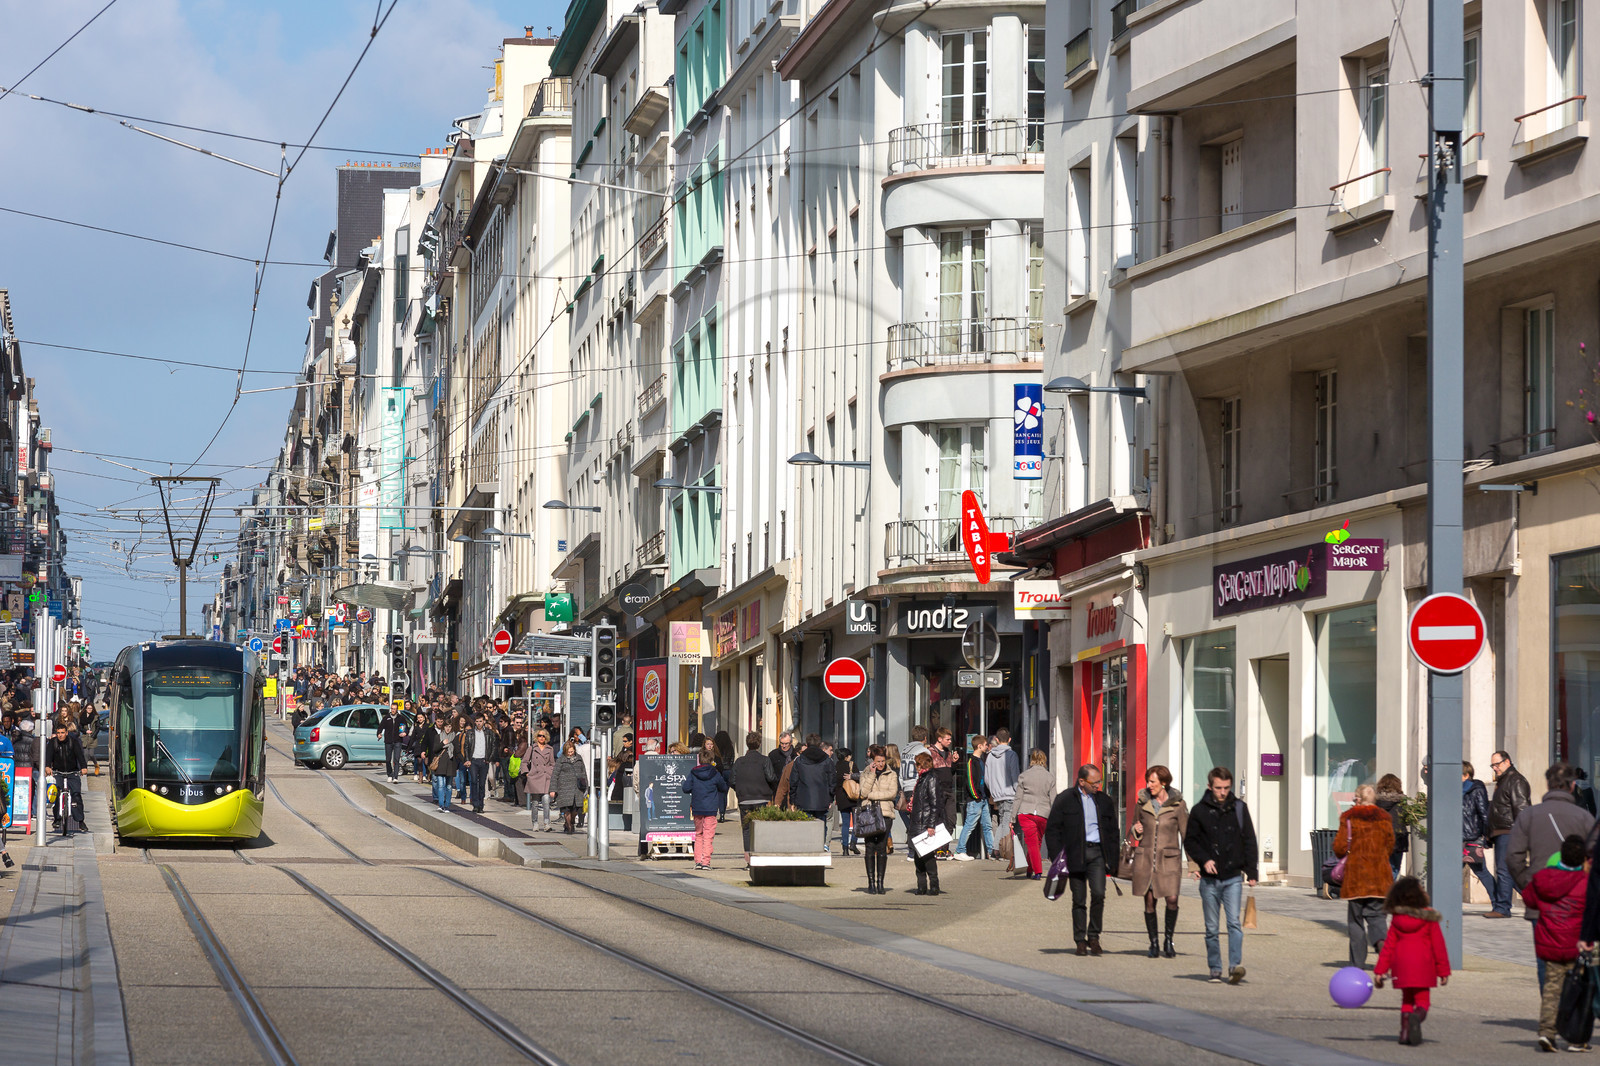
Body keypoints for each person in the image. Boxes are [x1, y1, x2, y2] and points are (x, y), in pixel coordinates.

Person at [1510, 763, 1597, 986]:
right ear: (1573, 785)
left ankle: (1551, 1013)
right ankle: (1572, 1011)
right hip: (1578, 900)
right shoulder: (1585, 818)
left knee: (1545, 961)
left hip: (1542, 899)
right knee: (1577, 958)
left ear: (1548, 784)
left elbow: (1513, 857)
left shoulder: (1529, 815)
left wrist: (1528, 886)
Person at [1182, 766, 1258, 984]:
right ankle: (1215, 968)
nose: (1222, 792)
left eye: (1226, 788)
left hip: (1233, 875)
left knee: (1234, 923)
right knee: (1212, 928)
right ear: (1209, 786)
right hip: (1209, 880)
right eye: (1218, 788)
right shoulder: (1199, 810)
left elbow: (1249, 840)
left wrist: (1251, 871)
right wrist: (1204, 860)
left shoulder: (1239, 808)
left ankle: (1235, 966)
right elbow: (1191, 841)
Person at [1044, 763, 1120, 956]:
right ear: (1082, 781)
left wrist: (1113, 858)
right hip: (1075, 854)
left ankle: (1094, 936)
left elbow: (1112, 831)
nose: (1098, 786)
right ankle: (1080, 940)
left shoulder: (1103, 801)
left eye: (1100, 782)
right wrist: (1057, 858)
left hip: (1097, 854)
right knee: (1079, 899)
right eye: (1095, 783)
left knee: (1099, 894)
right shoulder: (1065, 799)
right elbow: (1052, 830)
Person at [1526, 834, 1589, 1052]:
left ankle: (1546, 1032)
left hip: (1549, 942)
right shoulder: (1585, 882)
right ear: (1583, 859)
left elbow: (1530, 899)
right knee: (1577, 992)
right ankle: (1575, 1038)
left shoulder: (1543, 878)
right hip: (1576, 945)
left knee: (1552, 990)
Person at [1374, 876, 1450, 1047]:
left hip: (1401, 965)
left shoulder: (1397, 919)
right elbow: (1439, 946)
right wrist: (1443, 971)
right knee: (1423, 1000)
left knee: (1407, 1000)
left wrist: (1380, 971)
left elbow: (1388, 947)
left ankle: (1404, 1032)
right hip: (1424, 965)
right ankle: (1417, 1017)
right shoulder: (1429, 917)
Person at [1334, 783, 1396, 968]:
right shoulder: (1385, 818)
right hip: (1380, 877)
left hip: (1356, 878)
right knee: (1377, 916)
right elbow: (1390, 844)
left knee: (1355, 921)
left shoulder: (1349, 818)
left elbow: (1340, 847)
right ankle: (1380, 942)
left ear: (1358, 799)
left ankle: (1357, 962)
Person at [1131, 765, 1187, 959]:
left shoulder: (1178, 805)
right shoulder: (1142, 802)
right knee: (1149, 901)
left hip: (1169, 860)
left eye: (1153, 781)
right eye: (1148, 781)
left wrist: (1195, 865)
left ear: (1163, 783)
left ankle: (1168, 940)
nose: (1149, 785)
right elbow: (1134, 827)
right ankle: (1153, 943)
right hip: (1147, 859)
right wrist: (1135, 830)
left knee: (1172, 899)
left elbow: (1186, 834)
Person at [1487, 750, 1532, 919]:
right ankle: (1535, 900)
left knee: (1505, 870)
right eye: (1492, 765)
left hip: (1510, 831)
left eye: (1497, 764)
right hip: (1502, 831)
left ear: (1507, 762)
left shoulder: (1516, 780)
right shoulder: (1504, 780)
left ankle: (1502, 908)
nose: (1495, 768)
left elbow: (1522, 808)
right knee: (1510, 871)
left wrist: (1522, 834)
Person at [856, 745, 899, 895]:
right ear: (872, 761)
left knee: (881, 848)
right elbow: (863, 792)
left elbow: (892, 793)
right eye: (878, 761)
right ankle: (871, 883)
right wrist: (872, 774)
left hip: (885, 814)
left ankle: (881, 882)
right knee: (869, 848)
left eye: (882, 761)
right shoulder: (866, 773)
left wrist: (873, 796)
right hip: (869, 814)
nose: (880, 764)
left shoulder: (892, 774)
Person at [731, 732, 778, 857]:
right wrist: (771, 792)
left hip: (744, 799)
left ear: (747, 744)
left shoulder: (739, 761)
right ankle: (759, 855)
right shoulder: (764, 760)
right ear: (759, 744)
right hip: (761, 798)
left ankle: (748, 857)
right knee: (760, 828)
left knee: (746, 829)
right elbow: (771, 777)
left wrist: (740, 791)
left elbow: (732, 780)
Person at [683, 748, 729, 870]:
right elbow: (724, 787)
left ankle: (698, 861)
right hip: (711, 808)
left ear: (699, 760)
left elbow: (685, 788)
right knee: (708, 836)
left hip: (697, 808)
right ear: (711, 760)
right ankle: (706, 862)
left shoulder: (693, 772)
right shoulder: (715, 773)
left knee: (698, 835)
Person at [1013, 749, 1055, 879]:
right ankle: (1033, 870)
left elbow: (1018, 798)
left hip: (1026, 811)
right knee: (1035, 843)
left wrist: (1012, 817)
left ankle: (1035, 870)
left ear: (1031, 760)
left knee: (1033, 843)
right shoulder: (1050, 777)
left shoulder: (1024, 776)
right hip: (1043, 813)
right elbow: (1054, 799)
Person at [790, 733, 836, 850]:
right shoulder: (827, 761)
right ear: (820, 745)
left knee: (805, 828)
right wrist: (830, 797)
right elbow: (832, 781)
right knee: (821, 827)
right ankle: (819, 848)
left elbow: (793, 781)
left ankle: (806, 851)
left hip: (803, 799)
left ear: (806, 744)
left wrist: (793, 800)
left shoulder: (799, 761)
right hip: (821, 799)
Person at [44, 720, 88, 835]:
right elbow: (48, 756)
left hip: (72, 772)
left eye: (62, 732)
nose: (60, 735)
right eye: (58, 733)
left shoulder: (73, 742)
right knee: (56, 794)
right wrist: (47, 767)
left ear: (67, 733)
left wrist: (83, 767)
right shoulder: (53, 743)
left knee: (76, 796)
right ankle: (57, 819)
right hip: (58, 772)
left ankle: (80, 821)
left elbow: (80, 756)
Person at [908, 752, 943, 896]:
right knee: (918, 857)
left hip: (925, 822)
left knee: (928, 857)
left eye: (917, 764)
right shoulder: (922, 779)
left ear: (923, 764)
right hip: (918, 822)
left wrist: (931, 825)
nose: (916, 767)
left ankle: (934, 886)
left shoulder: (931, 778)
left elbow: (935, 803)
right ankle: (921, 886)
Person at [955, 735, 993, 861]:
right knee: (969, 825)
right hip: (975, 800)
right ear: (979, 746)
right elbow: (970, 782)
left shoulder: (981, 760)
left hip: (983, 799)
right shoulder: (971, 761)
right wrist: (976, 796)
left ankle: (991, 851)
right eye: (985, 744)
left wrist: (985, 796)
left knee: (987, 826)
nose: (987, 746)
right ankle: (960, 850)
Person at [1462, 761, 1494, 903]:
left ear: (1466, 775)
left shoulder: (1476, 789)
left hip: (1471, 837)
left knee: (1481, 872)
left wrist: (1487, 836)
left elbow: (1484, 814)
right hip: (1456, 837)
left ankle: (1498, 901)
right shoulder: (1454, 790)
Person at [985, 728, 1021, 843]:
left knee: (1002, 820)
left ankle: (998, 848)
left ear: (996, 739)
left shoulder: (990, 756)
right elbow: (1015, 776)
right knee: (1006, 822)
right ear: (1009, 739)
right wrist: (1018, 792)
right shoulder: (1012, 755)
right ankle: (1001, 848)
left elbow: (987, 778)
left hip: (997, 795)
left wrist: (993, 790)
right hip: (1010, 794)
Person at [1373, 773, 1409, 879]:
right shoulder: (1402, 801)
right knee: (1395, 867)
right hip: (1398, 837)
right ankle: (1388, 890)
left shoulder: (1375, 801)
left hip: (1380, 837)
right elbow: (1406, 819)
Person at [551, 740, 589, 834]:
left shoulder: (579, 758)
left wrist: (586, 786)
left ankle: (571, 822)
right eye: (568, 752)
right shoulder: (561, 760)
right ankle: (569, 826)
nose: (570, 753)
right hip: (564, 788)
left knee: (575, 809)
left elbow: (583, 772)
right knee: (566, 808)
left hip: (577, 789)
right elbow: (555, 775)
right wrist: (553, 789)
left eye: (572, 751)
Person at [524, 730, 556, 831]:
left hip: (546, 777)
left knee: (546, 800)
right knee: (535, 802)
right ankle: (535, 823)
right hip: (535, 777)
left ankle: (546, 823)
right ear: (536, 737)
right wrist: (527, 773)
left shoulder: (550, 749)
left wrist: (550, 772)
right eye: (539, 736)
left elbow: (552, 763)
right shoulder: (532, 748)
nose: (541, 738)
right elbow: (524, 761)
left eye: (543, 736)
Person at [428, 719, 459, 812]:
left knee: (449, 786)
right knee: (441, 785)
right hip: (441, 763)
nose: (448, 729)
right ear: (443, 727)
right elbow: (434, 749)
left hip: (450, 763)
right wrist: (442, 743)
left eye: (449, 727)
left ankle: (447, 805)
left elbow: (457, 751)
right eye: (446, 726)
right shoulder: (438, 736)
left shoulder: (455, 737)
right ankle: (441, 805)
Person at [834, 747, 860, 856]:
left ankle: (845, 848)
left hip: (841, 797)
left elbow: (834, 782)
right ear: (846, 757)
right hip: (853, 796)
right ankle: (853, 843)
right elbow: (859, 777)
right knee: (856, 822)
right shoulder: (852, 765)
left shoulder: (835, 767)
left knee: (845, 823)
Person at [377, 705, 406, 783]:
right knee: (388, 759)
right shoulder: (386, 718)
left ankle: (395, 777)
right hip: (388, 741)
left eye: (395, 709)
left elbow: (404, 727)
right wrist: (379, 734)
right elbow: (380, 727)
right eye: (392, 709)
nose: (393, 710)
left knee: (396, 759)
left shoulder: (401, 718)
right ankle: (390, 774)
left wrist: (404, 733)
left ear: (397, 710)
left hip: (398, 741)